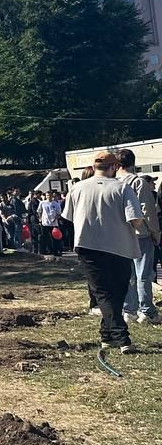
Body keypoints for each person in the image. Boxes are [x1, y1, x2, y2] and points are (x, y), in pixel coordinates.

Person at [64, 151, 146, 354]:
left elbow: (70, 216)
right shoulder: (122, 187)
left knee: (102, 292)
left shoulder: (78, 188)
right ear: (113, 167)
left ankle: (106, 335)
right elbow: (135, 219)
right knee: (116, 291)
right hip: (119, 247)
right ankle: (122, 337)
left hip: (88, 245)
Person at [114, 149, 160, 326]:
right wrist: (156, 232)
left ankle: (128, 309)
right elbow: (147, 210)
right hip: (140, 233)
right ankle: (147, 310)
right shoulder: (138, 182)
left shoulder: (113, 183)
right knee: (143, 274)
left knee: (127, 275)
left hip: (119, 235)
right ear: (133, 162)